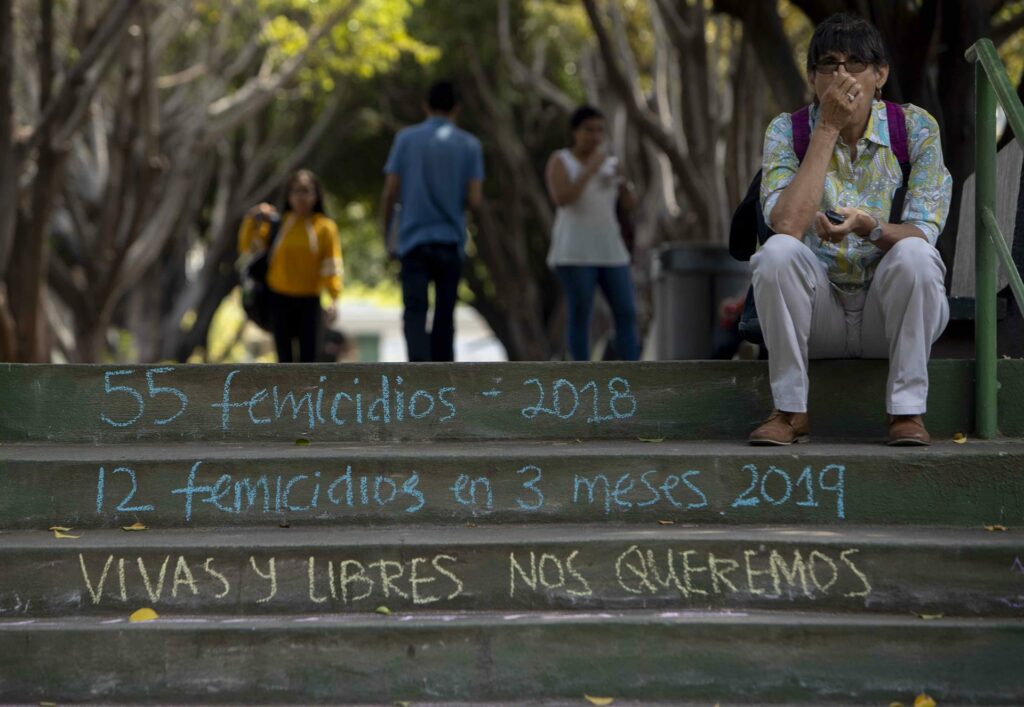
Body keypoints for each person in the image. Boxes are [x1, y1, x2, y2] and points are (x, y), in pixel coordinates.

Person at [749, 12, 952, 446]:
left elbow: (924, 232)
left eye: (856, 64)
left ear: (880, 75)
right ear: (812, 77)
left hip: (889, 316)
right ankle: (789, 412)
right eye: (829, 64)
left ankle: (907, 413)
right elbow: (785, 225)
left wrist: (871, 228)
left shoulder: (915, 128)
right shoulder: (787, 130)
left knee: (916, 256)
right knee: (776, 253)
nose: (842, 75)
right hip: (816, 317)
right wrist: (827, 127)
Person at [379, 80, 484, 362]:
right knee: (445, 314)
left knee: (414, 310)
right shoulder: (470, 145)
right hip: (450, 239)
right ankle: (442, 381)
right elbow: (475, 200)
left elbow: (391, 191)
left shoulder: (406, 139)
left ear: (425, 106)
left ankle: (418, 377)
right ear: (457, 108)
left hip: (413, 239)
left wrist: (386, 232)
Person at [545, 105, 639, 361]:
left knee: (626, 311)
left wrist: (622, 181)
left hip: (610, 248)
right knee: (581, 312)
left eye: (600, 130)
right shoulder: (560, 160)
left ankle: (634, 372)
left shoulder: (610, 164)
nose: (595, 136)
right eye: (589, 130)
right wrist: (588, 170)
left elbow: (630, 204)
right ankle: (580, 376)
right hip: (575, 251)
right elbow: (563, 198)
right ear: (575, 131)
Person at [238, 169, 342, 363]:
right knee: (284, 359)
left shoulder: (325, 227)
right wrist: (251, 218)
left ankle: (309, 394)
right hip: (279, 299)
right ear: (288, 195)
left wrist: (334, 298)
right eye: (296, 191)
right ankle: (284, 394)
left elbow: (331, 266)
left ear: (316, 194)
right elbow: (248, 247)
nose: (301, 197)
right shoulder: (278, 224)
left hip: (310, 300)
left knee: (309, 360)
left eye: (306, 191)